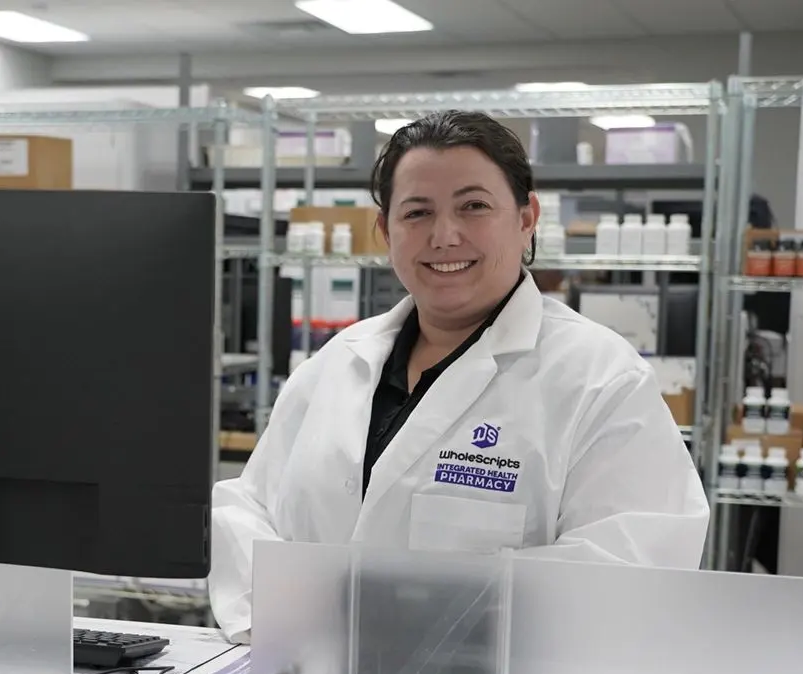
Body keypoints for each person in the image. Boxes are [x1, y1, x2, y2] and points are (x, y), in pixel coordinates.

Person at [209, 109, 709, 643]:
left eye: (473, 206)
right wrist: (277, 621)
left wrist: (421, 629)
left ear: (525, 218)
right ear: (386, 231)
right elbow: (247, 509)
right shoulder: (335, 365)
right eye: (417, 212)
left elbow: (635, 569)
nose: (444, 236)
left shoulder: (601, 378)